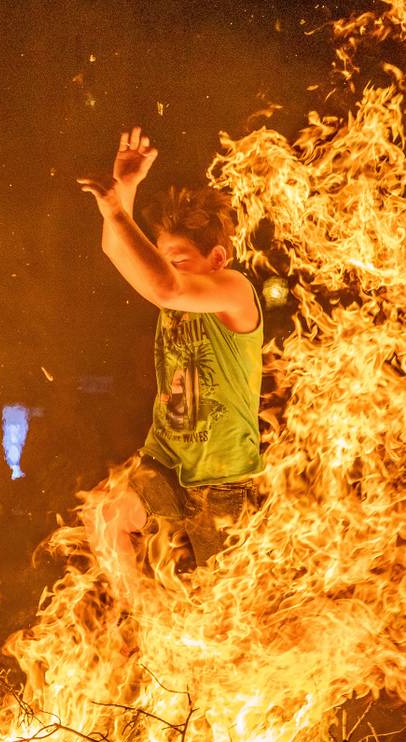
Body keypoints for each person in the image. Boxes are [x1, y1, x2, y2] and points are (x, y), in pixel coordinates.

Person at [76, 126, 262, 600]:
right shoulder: (171, 298)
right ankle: (150, 625)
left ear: (216, 258)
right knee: (105, 514)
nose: (163, 268)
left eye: (177, 259)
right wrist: (127, 191)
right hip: (167, 464)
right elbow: (117, 251)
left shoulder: (235, 293)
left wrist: (120, 211)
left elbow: (165, 285)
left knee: (227, 611)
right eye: (162, 259)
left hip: (222, 484)